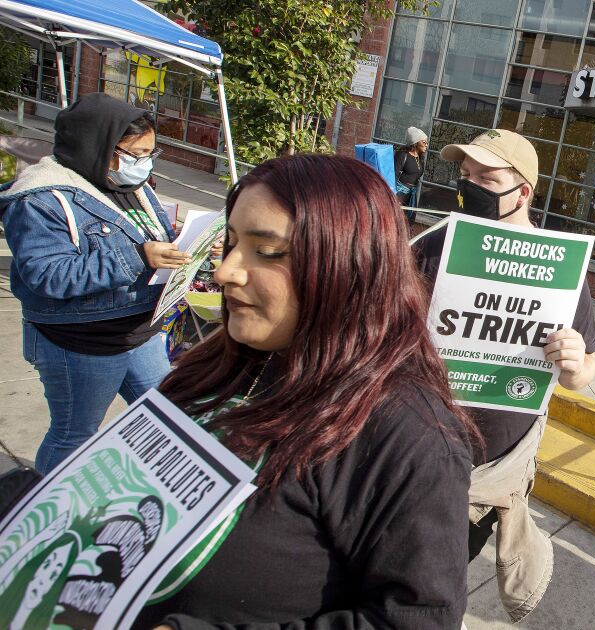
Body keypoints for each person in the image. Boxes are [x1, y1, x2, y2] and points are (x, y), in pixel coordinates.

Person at [133, 155, 479, 629]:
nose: (227, 272)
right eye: (230, 243)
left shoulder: (406, 435)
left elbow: (417, 619)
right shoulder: (222, 360)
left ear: (348, 266)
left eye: (268, 252)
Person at [413, 129, 595, 621]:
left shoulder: (561, 270)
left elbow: (583, 373)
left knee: (434, 587)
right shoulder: (436, 245)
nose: (470, 186)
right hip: (414, 449)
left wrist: (577, 362)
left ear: (522, 192)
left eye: (486, 178)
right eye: (466, 175)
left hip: (485, 476)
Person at [1, 93, 186, 473]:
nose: (144, 164)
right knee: (74, 435)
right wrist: (138, 257)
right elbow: (47, 275)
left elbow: (147, 236)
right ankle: (42, 512)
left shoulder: (133, 187)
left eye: (151, 154)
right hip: (79, 339)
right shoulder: (38, 198)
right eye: (137, 154)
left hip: (138, 331)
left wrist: (185, 243)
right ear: (98, 144)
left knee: (167, 419)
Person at [397, 126, 427, 222]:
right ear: (415, 142)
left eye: (427, 142)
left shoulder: (419, 158)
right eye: (424, 142)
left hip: (412, 195)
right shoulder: (402, 154)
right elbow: (393, 174)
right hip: (400, 194)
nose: (426, 145)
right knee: (398, 220)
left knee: (408, 222)